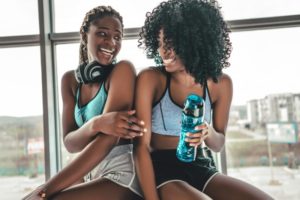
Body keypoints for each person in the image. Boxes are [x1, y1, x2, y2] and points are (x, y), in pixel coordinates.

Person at [134, 0, 274, 199]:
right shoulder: (150, 79)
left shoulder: (221, 84)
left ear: (194, 40)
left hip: (201, 165)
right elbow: (140, 147)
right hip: (162, 170)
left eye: (171, 44)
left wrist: (207, 132)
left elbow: (218, 144)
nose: (163, 52)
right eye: (160, 44)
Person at [23, 5, 145, 200]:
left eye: (117, 37)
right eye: (103, 34)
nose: (111, 42)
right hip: (91, 173)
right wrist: (96, 124)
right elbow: (70, 143)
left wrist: (44, 191)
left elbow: (107, 140)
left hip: (122, 174)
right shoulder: (69, 81)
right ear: (84, 34)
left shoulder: (123, 70)